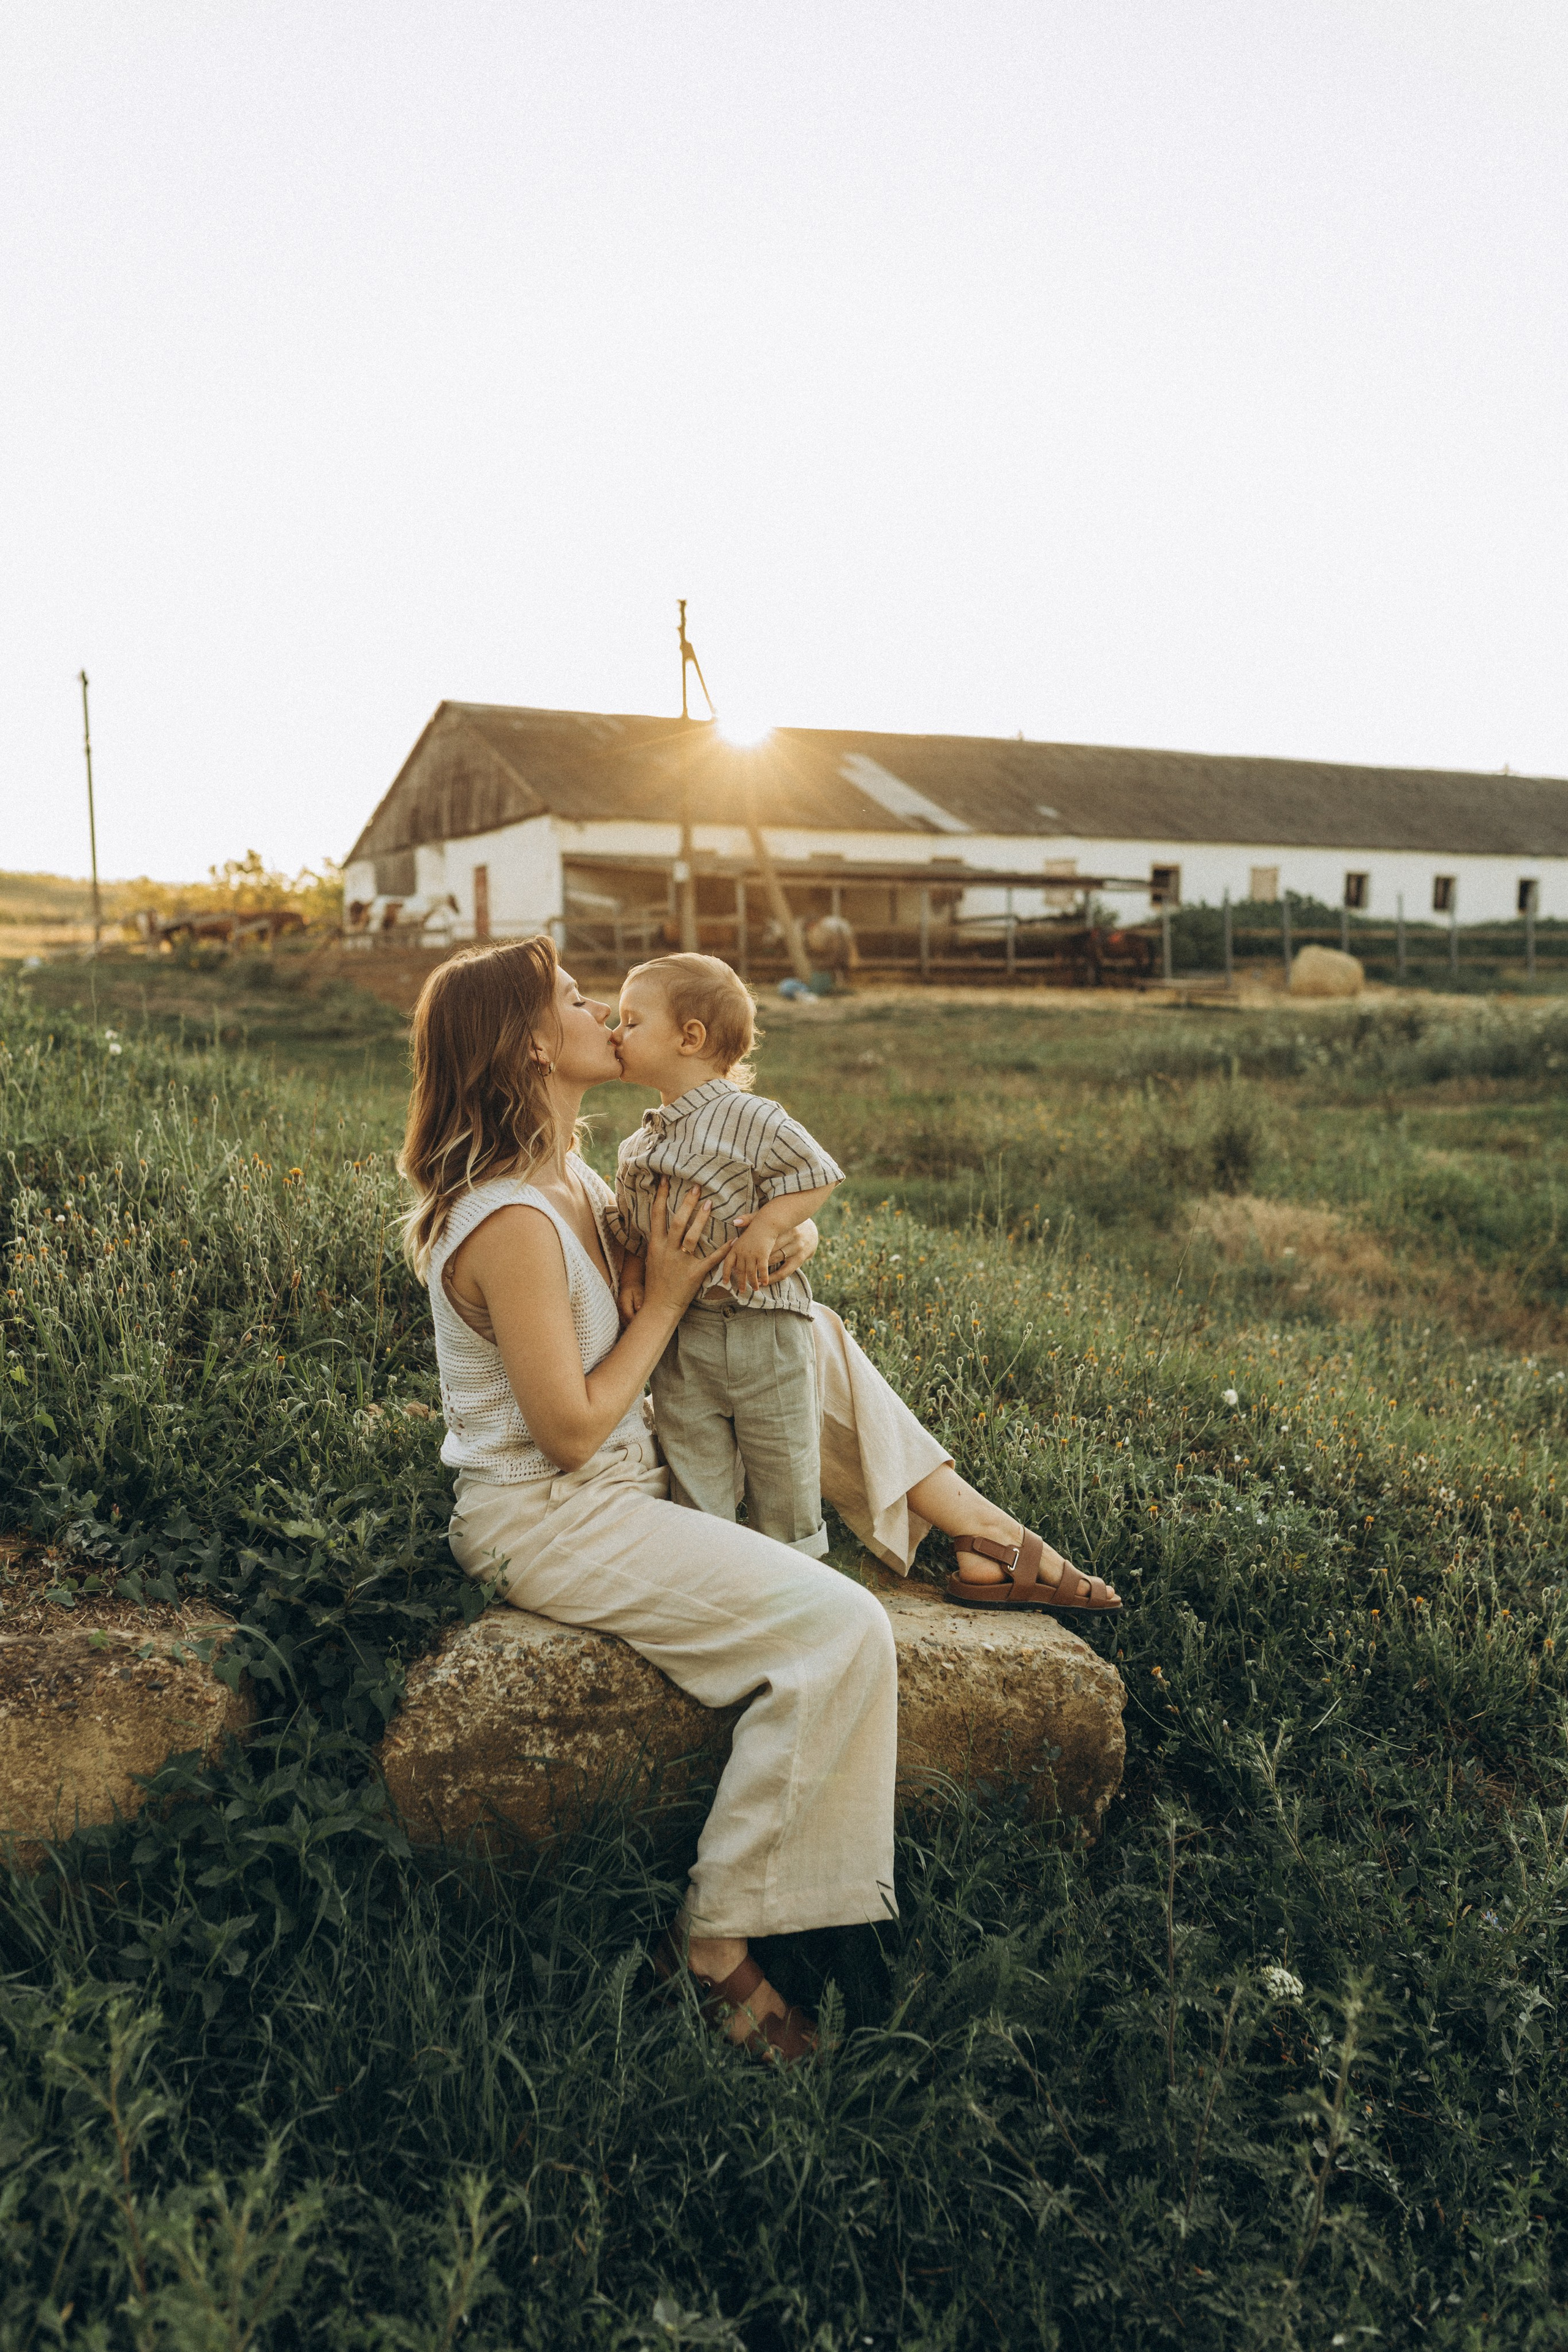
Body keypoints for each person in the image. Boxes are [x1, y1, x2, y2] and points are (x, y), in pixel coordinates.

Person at [399, 938, 1120, 2065]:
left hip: (624, 1475)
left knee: (805, 1327)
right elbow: (573, 1429)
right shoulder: (510, 1222)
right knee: (842, 1627)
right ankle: (717, 1933)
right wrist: (676, 1291)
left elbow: (749, 1218)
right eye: (578, 1001)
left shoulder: (578, 1176)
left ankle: (966, 1530)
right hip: (556, 1513)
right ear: (533, 1044)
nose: (604, 1011)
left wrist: (785, 1235)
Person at [608, 952, 842, 1557]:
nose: (616, 1032)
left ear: (690, 1038)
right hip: (685, 1336)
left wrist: (769, 1227)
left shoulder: (750, 1117)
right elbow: (634, 1227)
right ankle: (709, 1563)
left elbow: (817, 1174)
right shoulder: (639, 1143)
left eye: (632, 1021)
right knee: (693, 1461)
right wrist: (633, 1272)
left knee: (783, 1462)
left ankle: (797, 1572)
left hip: (764, 1326)